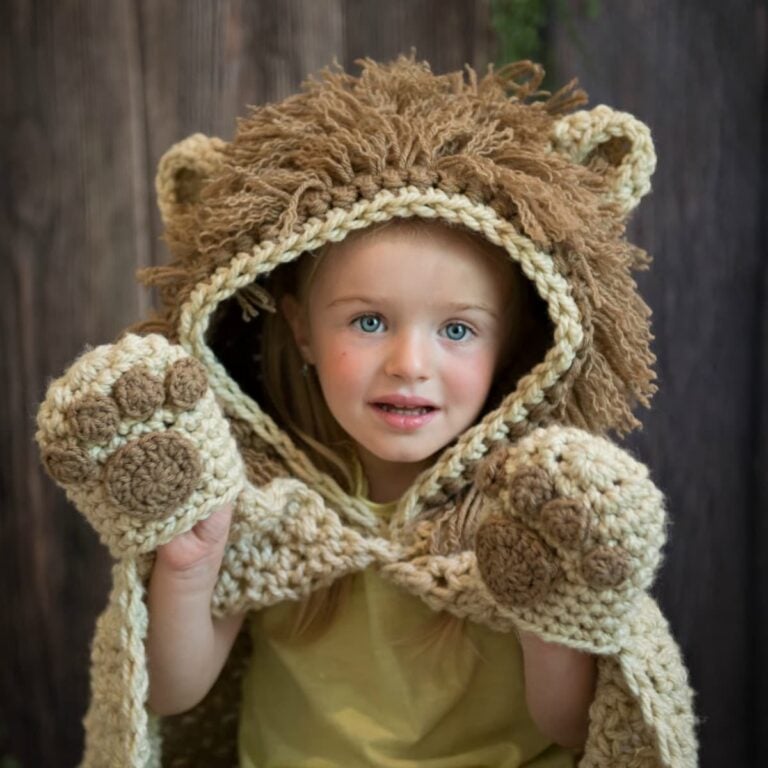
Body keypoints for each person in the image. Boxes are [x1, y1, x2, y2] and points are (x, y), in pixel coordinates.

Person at [36, 56, 698, 767]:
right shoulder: (264, 502)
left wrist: (552, 603)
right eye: (369, 323)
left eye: (457, 330)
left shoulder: (531, 511)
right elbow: (172, 691)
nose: (411, 364)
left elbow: (571, 725)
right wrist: (190, 565)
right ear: (301, 332)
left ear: (512, 348)